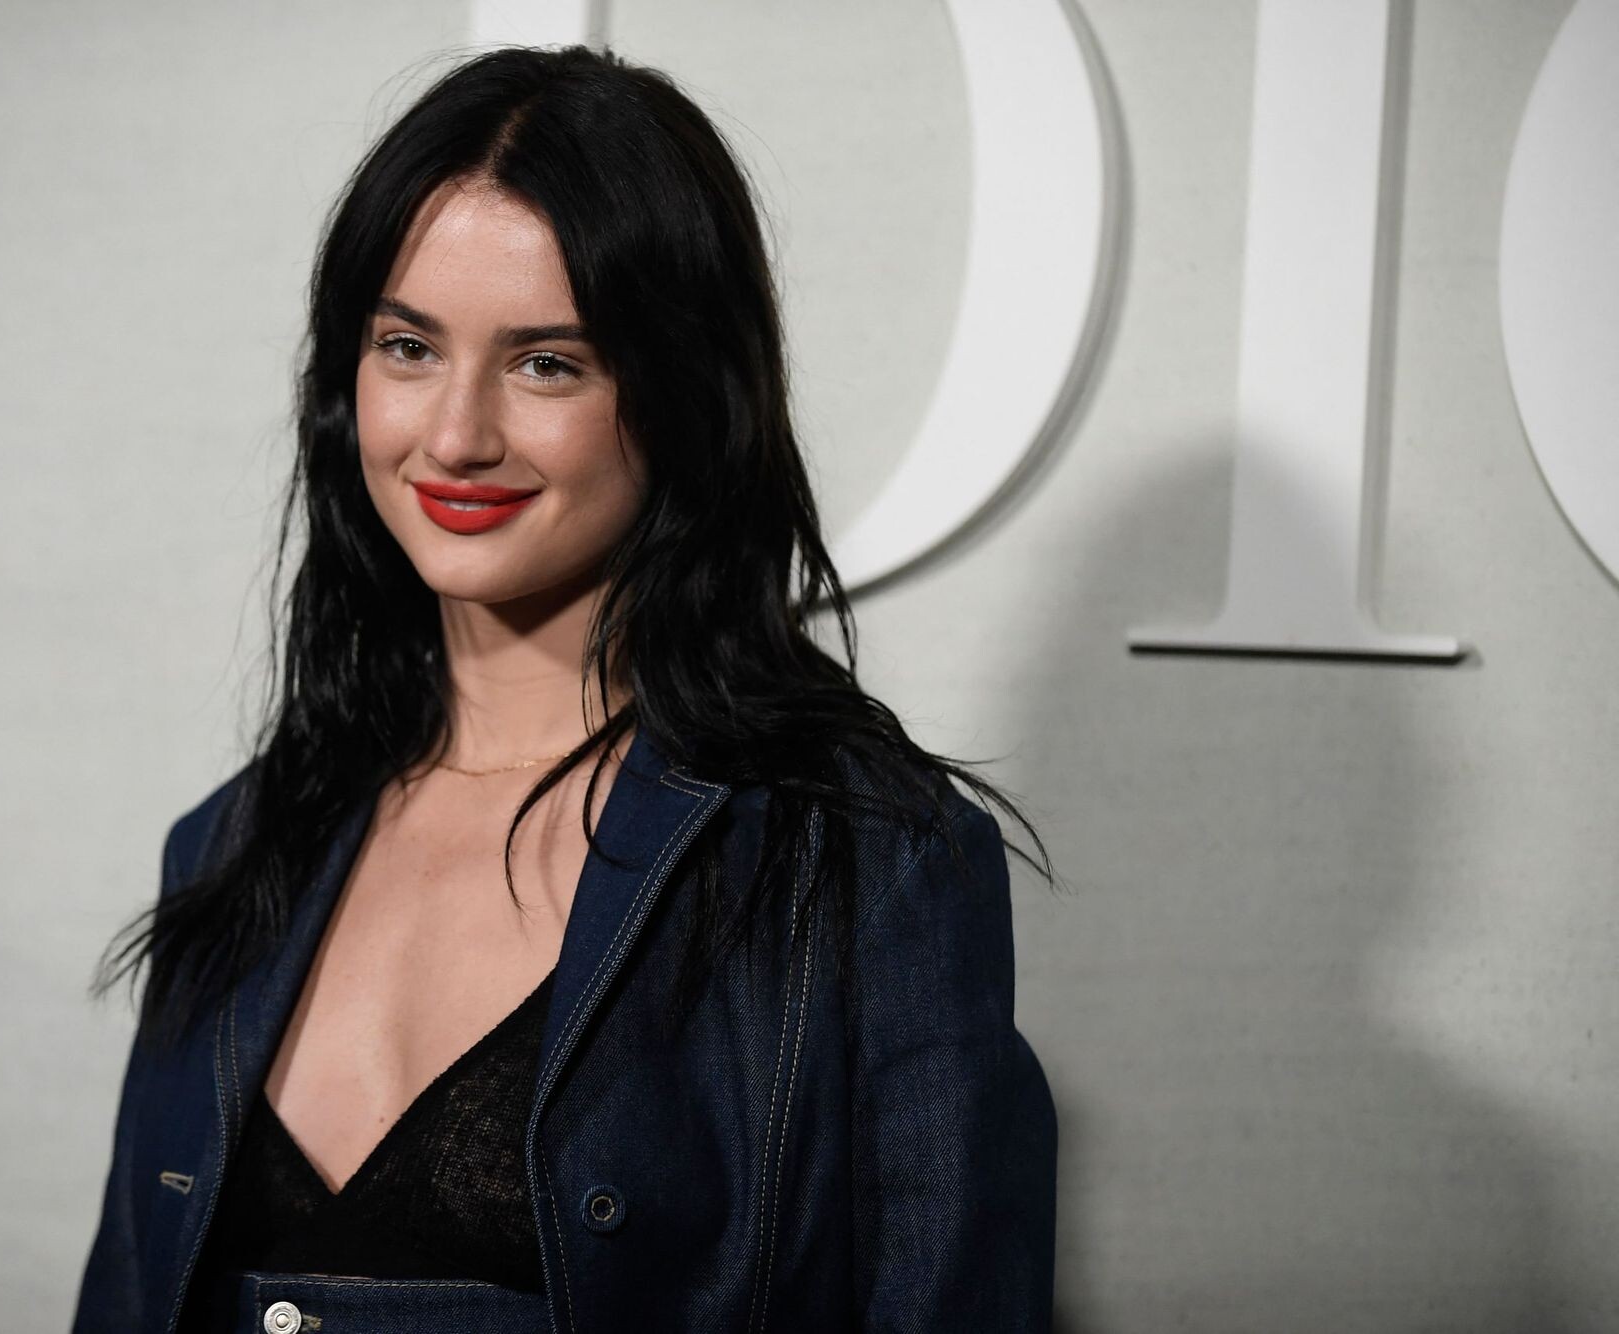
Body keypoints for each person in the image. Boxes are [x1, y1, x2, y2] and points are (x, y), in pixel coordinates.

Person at [71, 42, 1057, 1334]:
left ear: (686, 395)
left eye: (548, 363)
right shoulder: (232, 844)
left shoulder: (866, 866)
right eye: (408, 346)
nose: (456, 434)